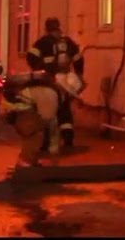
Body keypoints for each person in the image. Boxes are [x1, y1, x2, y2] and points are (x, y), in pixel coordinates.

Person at [25, 17, 84, 149]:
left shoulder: (42, 43)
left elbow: (31, 57)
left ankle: (46, 142)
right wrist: (79, 75)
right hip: (65, 82)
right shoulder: (68, 42)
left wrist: (38, 69)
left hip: (48, 81)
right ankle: (68, 139)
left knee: (48, 111)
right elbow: (78, 59)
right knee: (64, 110)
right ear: (58, 28)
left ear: (47, 29)